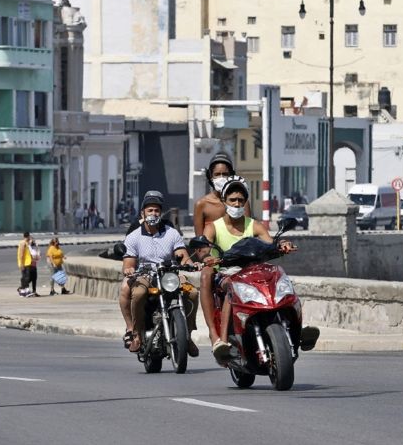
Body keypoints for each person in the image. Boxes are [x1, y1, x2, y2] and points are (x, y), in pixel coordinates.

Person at [196, 177, 295, 363]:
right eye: (233, 200)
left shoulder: (254, 225)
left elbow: (270, 243)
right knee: (223, 284)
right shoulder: (213, 228)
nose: (237, 204)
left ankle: (297, 326)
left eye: (241, 200)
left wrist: (282, 245)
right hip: (227, 274)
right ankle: (220, 339)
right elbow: (203, 249)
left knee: (280, 277)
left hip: (254, 273)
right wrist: (207, 257)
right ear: (224, 201)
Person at [119, 190, 199, 356]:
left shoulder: (172, 233)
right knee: (139, 293)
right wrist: (129, 269)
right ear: (143, 213)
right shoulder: (133, 236)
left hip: (169, 274)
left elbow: (182, 255)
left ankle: (188, 335)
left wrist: (190, 264)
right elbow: (128, 262)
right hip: (145, 274)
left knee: (192, 293)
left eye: (156, 210)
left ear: (161, 213)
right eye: (150, 210)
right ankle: (137, 335)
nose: (153, 213)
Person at [193, 152, 251, 237]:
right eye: (217, 174)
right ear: (211, 176)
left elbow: (249, 232)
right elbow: (199, 240)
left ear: (231, 175)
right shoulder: (202, 204)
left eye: (225, 174)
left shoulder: (242, 203)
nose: (221, 178)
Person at [17, 232, 39, 297]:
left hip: (27, 262)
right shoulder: (23, 243)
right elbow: (21, 254)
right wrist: (21, 264)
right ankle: (26, 291)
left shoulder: (26, 243)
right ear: (28, 236)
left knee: (26, 277)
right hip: (24, 263)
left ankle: (23, 292)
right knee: (25, 277)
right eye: (29, 237)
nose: (30, 238)